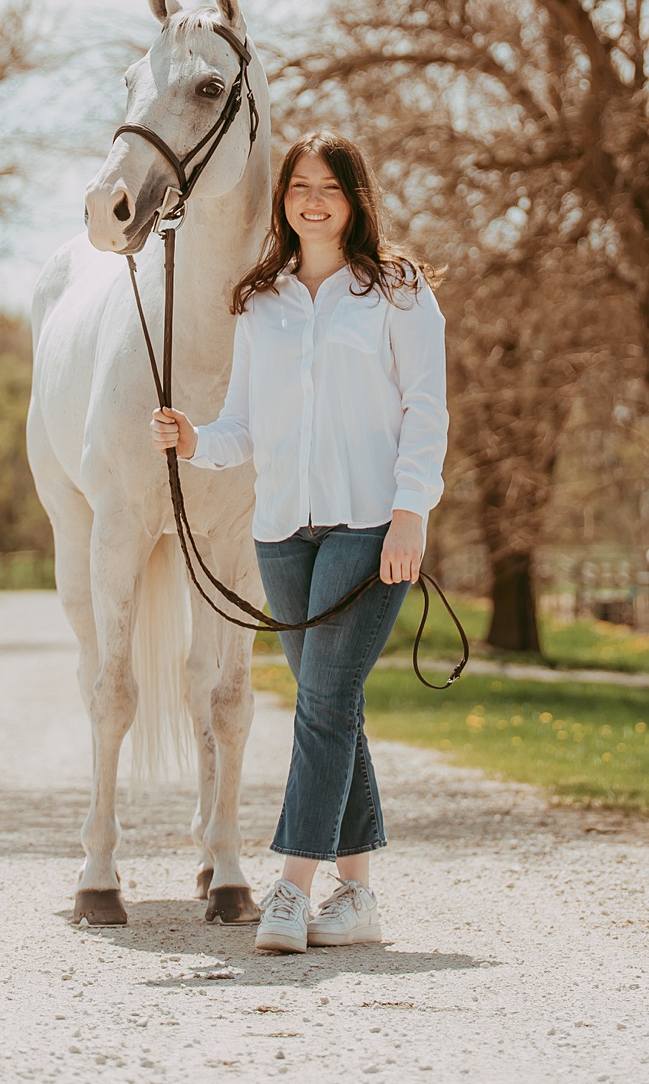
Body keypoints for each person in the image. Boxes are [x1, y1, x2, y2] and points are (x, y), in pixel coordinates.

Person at [151, 131, 447, 956]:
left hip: (370, 525)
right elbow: (245, 426)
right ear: (283, 201)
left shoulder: (398, 290)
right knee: (335, 703)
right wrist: (192, 441)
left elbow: (428, 410)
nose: (312, 200)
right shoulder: (262, 300)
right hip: (282, 530)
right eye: (298, 187)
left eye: (330, 187)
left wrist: (412, 512)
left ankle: (291, 888)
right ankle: (359, 897)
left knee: (318, 705)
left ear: (356, 199)